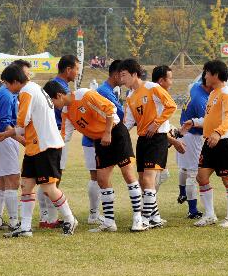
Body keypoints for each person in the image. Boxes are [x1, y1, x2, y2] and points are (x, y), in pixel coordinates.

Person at [54, 82, 144, 233]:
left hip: (115, 133)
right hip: (100, 142)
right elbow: (65, 136)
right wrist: (47, 146)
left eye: (52, 101)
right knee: (102, 179)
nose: (53, 105)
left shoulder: (84, 94)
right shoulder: (65, 112)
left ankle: (138, 218)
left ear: (59, 95)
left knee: (128, 175)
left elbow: (110, 109)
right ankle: (109, 222)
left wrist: (107, 132)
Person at [1, 65, 78, 237]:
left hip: (45, 146)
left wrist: (3, 135)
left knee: (49, 187)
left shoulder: (27, 91)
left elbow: (22, 122)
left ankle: (70, 219)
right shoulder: (35, 88)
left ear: (15, 81)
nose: (6, 88)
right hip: (36, 146)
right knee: (27, 185)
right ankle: (26, 227)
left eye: (7, 84)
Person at [180, 60, 228, 228]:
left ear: (215, 74)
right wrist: (194, 122)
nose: (204, 76)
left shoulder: (227, 93)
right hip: (210, 141)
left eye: (206, 73)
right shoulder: (213, 93)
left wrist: (218, 132)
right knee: (202, 177)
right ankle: (210, 215)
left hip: (225, 141)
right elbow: (210, 118)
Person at [119, 59, 177, 229]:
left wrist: (157, 123)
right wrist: (117, 133)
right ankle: (155, 217)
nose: (122, 79)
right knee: (143, 180)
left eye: (124, 75)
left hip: (158, 138)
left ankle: (144, 219)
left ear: (134, 74)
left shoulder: (153, 88)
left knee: (148, 178)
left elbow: (171, 106)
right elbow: (128, 121)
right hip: (143, 139)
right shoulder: (130, 96)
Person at [43, 54, 80, 227]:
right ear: (68, 69)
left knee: (48, 175)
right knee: (54, 176)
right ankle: (50, 217)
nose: (77, 73)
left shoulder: (52, 85)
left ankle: (46, 216)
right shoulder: (60, 88)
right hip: (58, 133)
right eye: (76, 69)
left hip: (53, 133)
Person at [0, 59, 26, 231]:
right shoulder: (6, 95)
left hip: (2, 140)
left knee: (2, 181)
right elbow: (5, 121)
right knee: (13, 179)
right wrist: (21, 139)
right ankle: (13, 221)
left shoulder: (5, 93)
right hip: (5, 139)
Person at [88, 59, 124, 225]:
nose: (124, 78)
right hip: (95, 139)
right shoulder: (104, 91)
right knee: (97, 176)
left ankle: (99, 214)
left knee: (100, 176)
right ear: (116, 75)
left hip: (102, 138)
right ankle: (94, 214)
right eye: (122, 74)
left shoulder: (109, 89)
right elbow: (120, 114)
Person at [177, 73, 211, 220]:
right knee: (192, 172)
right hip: (192, 135)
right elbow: (207, 122)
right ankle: (192, 210)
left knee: (184, 168)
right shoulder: (201, 100)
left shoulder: (196, 87)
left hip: (184, 132)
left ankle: (182, 192)